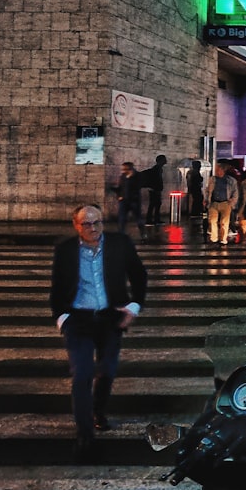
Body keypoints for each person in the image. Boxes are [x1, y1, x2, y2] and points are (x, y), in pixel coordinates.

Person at [50, 204, 147, 462]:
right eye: (86, 224)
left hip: (110, 318)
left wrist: (133, 308)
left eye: (97, 223)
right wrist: (63, 318)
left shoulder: (119, 243)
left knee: (107, 371)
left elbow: (139, 275)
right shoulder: (65, 250)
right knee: (82, 374)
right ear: (76, 225)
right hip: (78, 320)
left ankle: (97, 410)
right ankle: (85, 436)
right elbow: (58, 288)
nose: (93, 229)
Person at [205, 161, 239, 246]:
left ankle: (223, 239)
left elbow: (235, 192)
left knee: (224, 222)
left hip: (225, 203)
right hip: (214, 203)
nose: (217, 171)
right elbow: (207, 190)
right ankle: (214, 238)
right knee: (212, 220)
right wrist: (206, 199)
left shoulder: (230, 180)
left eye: (218, 170)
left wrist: (232, 201)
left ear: (223, 170)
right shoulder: (212, 179)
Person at [114, 162, 146, 240]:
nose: (123, 171)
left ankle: (143, 234)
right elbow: (120, 187)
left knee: (138, 218)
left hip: (134, 201)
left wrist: (130, 178)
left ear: (129, 169)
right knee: (122, 218)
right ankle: (121, 234)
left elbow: (138, 187)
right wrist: (119, 196)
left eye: (124, 169)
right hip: (124, 201)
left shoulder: (137, 176)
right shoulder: (123, 176)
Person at [142, 154, 167, 226]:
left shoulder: (158, 169)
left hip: (155, 189)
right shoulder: (156, 169)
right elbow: (156, 179)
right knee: (153, 204)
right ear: (160, 161)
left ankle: (156, 220)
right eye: (164, 159)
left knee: (156, 204)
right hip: (154, 190)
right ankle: (149, 220)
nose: (166, 161)